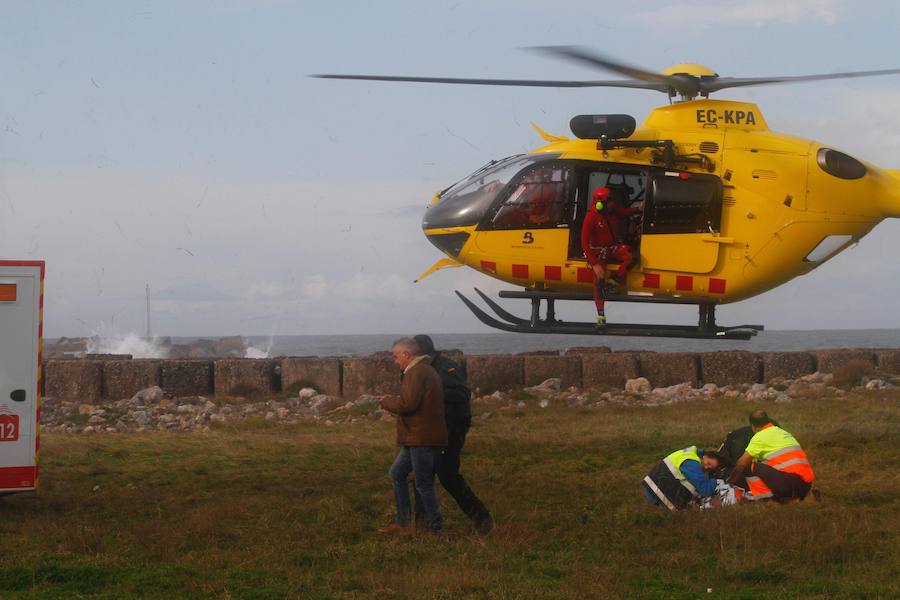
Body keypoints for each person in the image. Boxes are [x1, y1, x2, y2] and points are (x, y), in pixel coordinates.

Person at [412, 334, 494, 534]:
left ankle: (482, 518)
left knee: (448, 476)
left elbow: (461, 394)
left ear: (421, 353)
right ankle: (423, 525)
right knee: (421, 476)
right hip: (428, 431)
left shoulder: (446, 367)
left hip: (451, 430)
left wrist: (430, 393)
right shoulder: (417, 370)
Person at [377, 338, 448, 534]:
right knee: (396, 473)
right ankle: (404, 523)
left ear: (406, 355)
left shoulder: (416, 373)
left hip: (421, 437)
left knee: (423, 483)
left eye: (395, 356)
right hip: (417, 436)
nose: (394, 360)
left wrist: (386, 401)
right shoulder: (424, 370)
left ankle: (435, 528)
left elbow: (407, 405)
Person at [580, 187, 642, 328]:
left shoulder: (612, 210)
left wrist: (639, 209)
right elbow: (584, 243)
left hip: (612, 248)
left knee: (630, 256)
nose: (611, 204)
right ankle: (601, 315)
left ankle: (615, 279)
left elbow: (623, 213)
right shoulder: (591, 217)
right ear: (600, 203)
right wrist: (595, 264)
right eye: (608, 201)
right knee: (598, 280)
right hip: (599, 253)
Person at [727, 410, 815, 503]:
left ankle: (767, 498)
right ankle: (796, 498)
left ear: (753, 426)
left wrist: (730, 482)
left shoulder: (759, 437)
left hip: (790, 484)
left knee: (749, 466)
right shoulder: (783, 433)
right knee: (765, 463)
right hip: (806, 486)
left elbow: (741, 463)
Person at [642, 445, 723, 511]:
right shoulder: (692, 464)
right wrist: (715, 480)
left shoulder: (691, 453)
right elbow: (705, 490)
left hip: (652, 486)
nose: (706, 467)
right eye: (708, 463)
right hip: (658, 494)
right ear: (705, 456)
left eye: (710, 468)